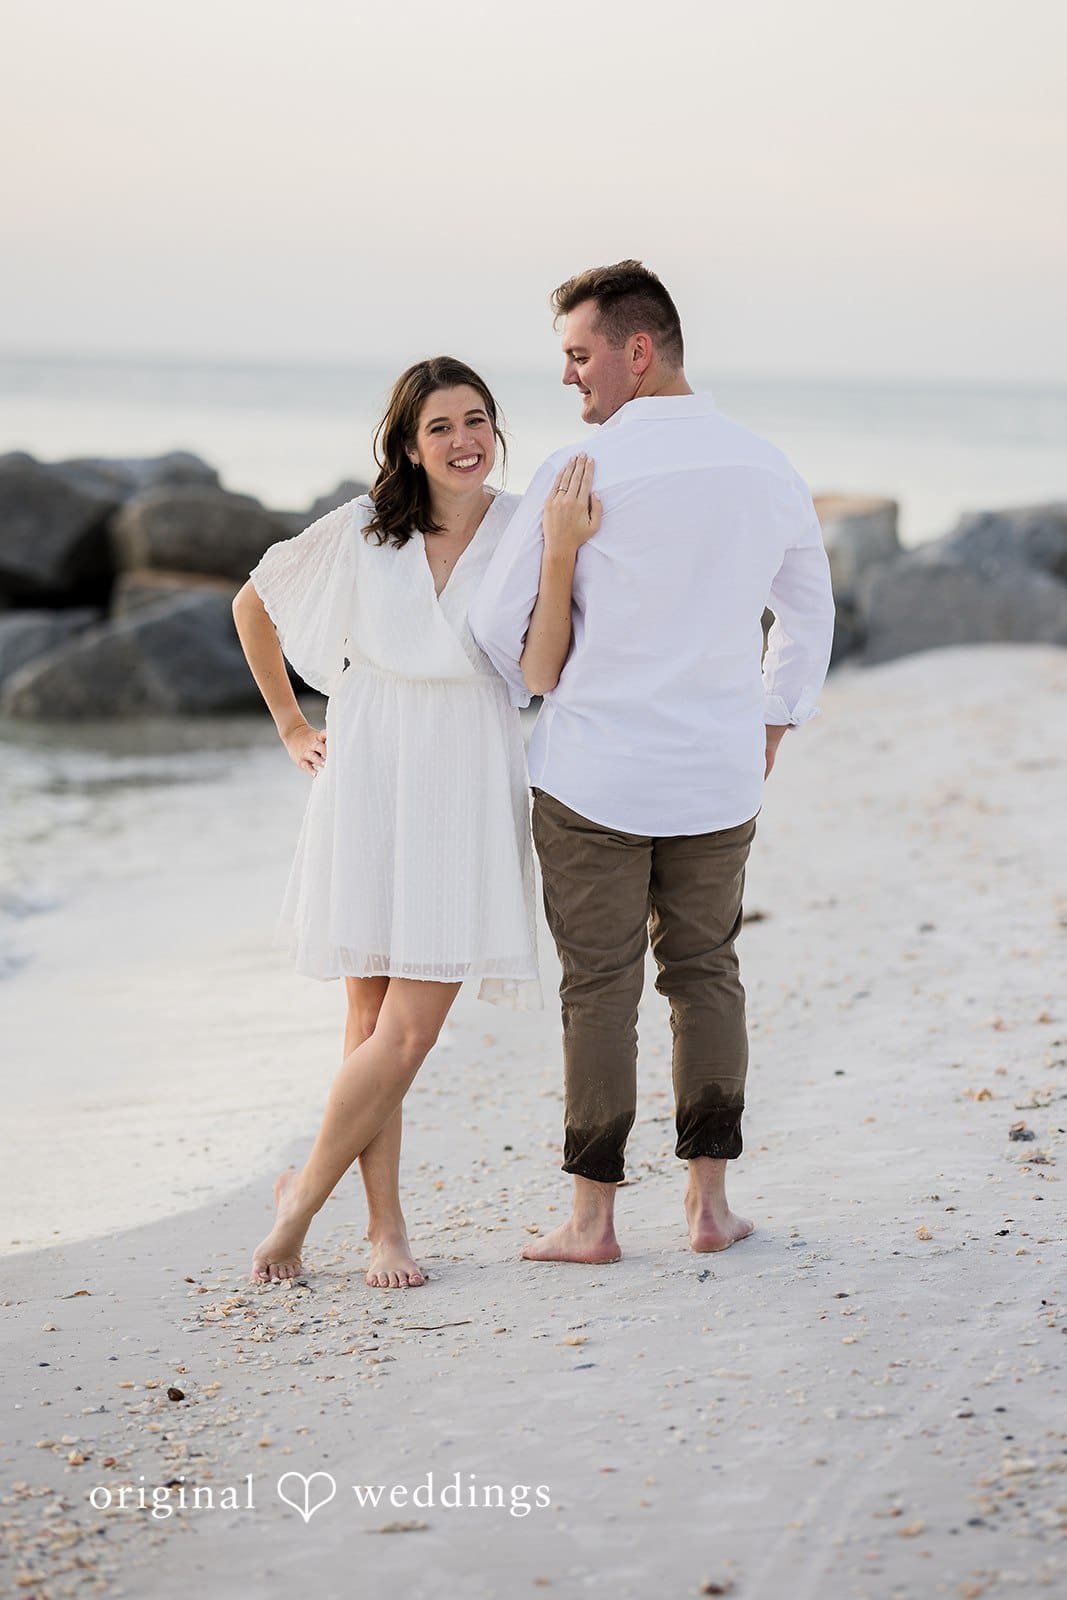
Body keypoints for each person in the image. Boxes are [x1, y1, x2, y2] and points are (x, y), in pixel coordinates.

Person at [469, 261, 836, 1265]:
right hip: (717, 773)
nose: (568, 379)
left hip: (592, 774)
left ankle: (591, 1222)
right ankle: (709, 1208)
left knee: (598, 985)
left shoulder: (574, 474)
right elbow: (806, 611)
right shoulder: (766, 466)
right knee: (705, 971)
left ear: (637, 351)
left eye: (579, 356)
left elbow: (498, 632)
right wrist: (772, 717)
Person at [233, 356, 588, 1287]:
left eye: (476, 419)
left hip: (467, 773)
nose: (464, 439)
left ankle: (298, 1202)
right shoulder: (362, 526)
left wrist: (559, 552)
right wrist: (291, 724)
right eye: (440, 426)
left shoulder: (522, 529)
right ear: (407, 442)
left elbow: (545, 665)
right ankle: (383, 1229)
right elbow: (253, 604)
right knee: (368, 1025)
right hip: (370, 768)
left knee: (409, 1032)